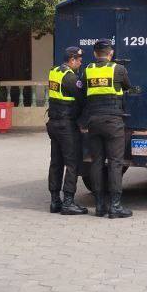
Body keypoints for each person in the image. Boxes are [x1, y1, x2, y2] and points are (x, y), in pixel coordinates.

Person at [82, 39, 134, 219]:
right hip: (113, 122)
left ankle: (99, 206)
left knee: (96, 162)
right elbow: (127, 87)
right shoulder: (118, 69)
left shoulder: (88, 70)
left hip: (93, 121)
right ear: (111, 53)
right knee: (115, 163)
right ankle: (115, 206)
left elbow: (82, 90)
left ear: (95, 54)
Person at [46, 46, 88, 215]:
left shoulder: (54, 72)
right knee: (72, 163)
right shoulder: (70, 77)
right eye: (79, 60)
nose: (81, 62)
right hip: (66, 125)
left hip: (53, 123)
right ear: (72, 60)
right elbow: (82, 98)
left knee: (56, 163)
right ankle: (68, 202)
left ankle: (55, 201)